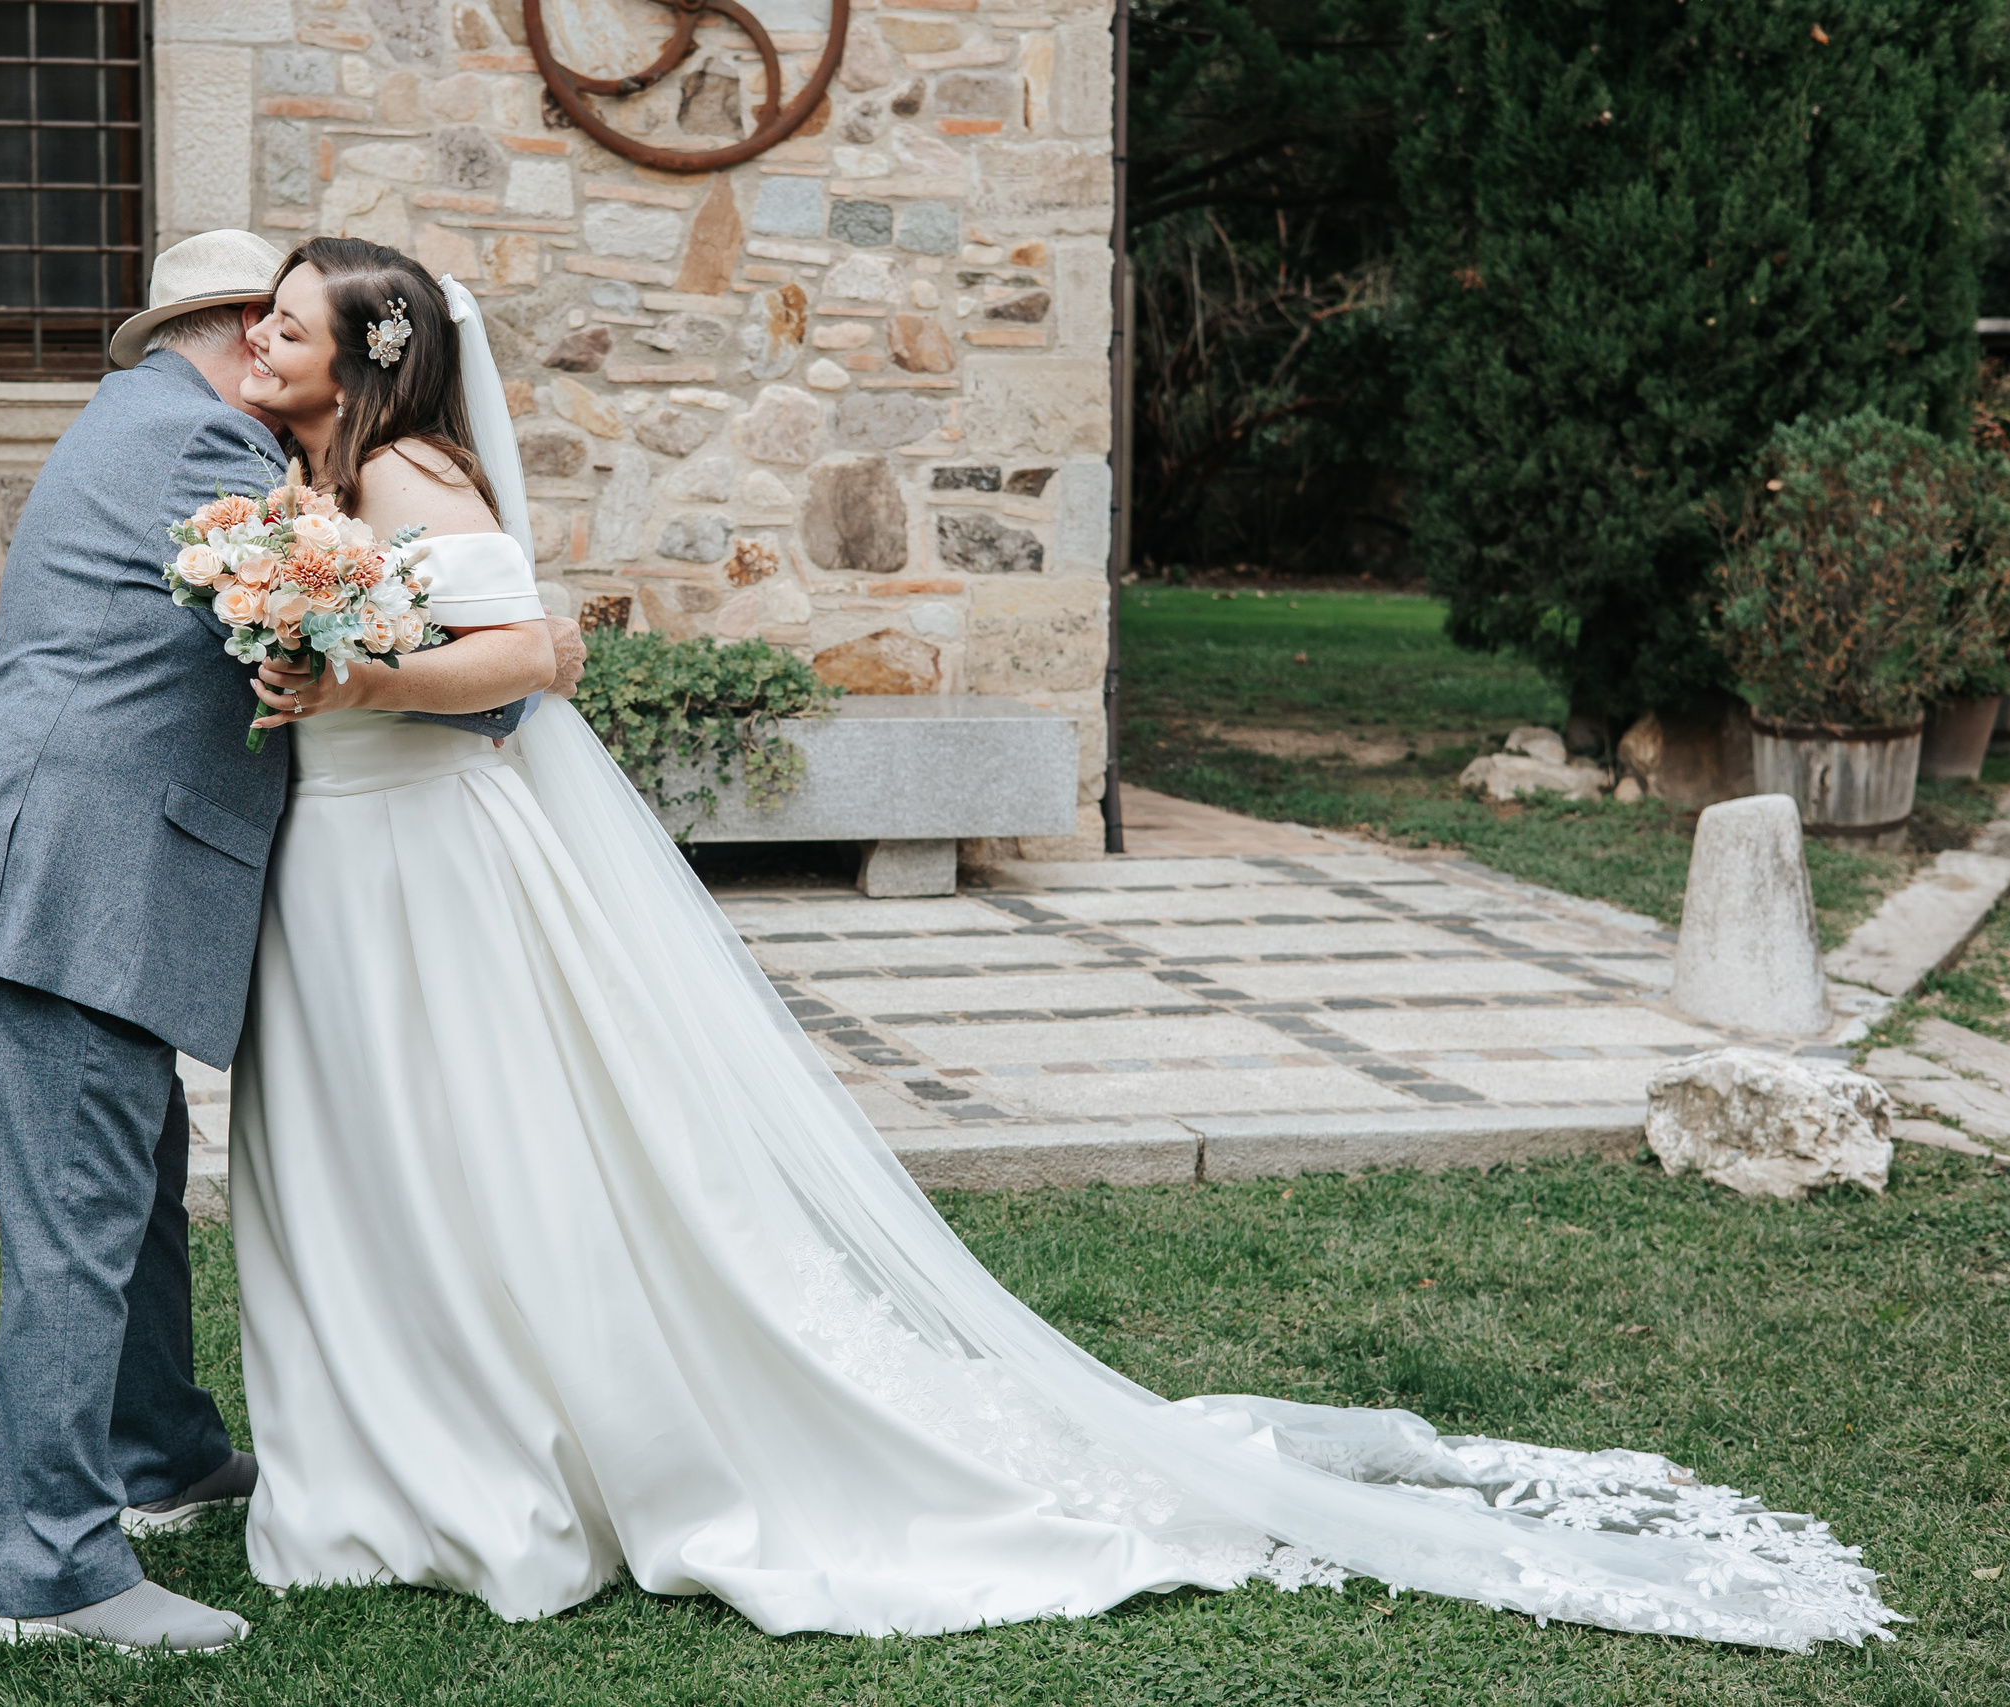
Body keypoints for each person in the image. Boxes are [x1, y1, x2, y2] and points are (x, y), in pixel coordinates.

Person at [228, 236, 1904, 1653]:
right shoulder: (313, 481)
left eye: (287, 324)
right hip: (356, 852)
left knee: (486, 1148)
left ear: (371, 361)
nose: (259, 341)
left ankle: (510, 1457)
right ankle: (415, 1446)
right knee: (402, 1153)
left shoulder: (404, 474)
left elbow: (532, 659)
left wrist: (361, 679)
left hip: (422, 860)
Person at [0, 228, 586, 1655]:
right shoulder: (210, 463)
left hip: (60, 867)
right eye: (266, 327)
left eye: (299, 328)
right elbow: (419, 671)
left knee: (130, 1192)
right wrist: (525, 662)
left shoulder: (139, 413)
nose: (275, 354)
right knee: (78, 1234)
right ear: (231, 328)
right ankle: (57, 1576)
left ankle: (162, 1459)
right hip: (77, 879)